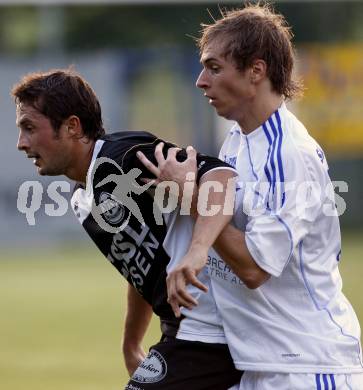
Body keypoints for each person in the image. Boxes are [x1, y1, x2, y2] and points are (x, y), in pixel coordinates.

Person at [136, 4, 363, 389]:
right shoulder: (238, 140)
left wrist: (190, 195)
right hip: (258, 363)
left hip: (306, 367)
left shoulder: (289, 155)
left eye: (214, 67)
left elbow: (256, 267)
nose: (200, 81)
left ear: (256, 71)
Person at [13, 68, 243, 389]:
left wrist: (198, 250)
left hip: (211, 328)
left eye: (29, 128)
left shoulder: (122, 158)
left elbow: (221, 176)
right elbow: (139, 269)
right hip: (181, 329)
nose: (21, 143)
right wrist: (131, 342)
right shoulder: (82, 195)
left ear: (72, 126)